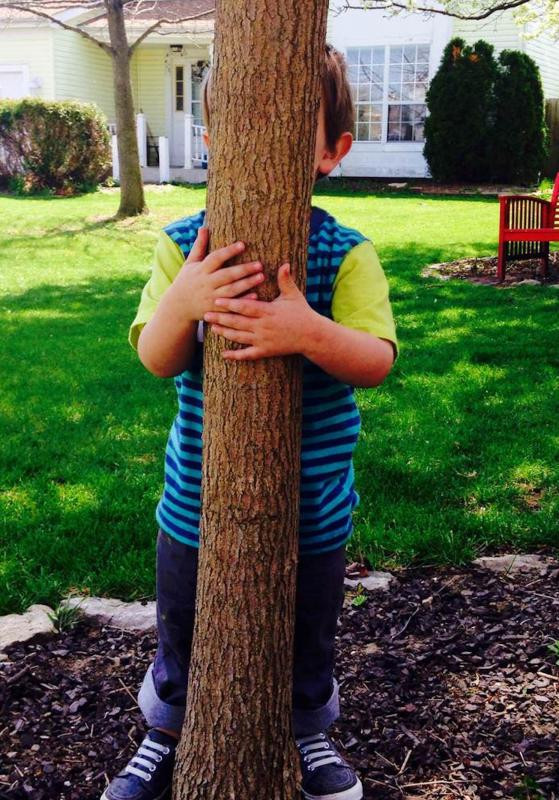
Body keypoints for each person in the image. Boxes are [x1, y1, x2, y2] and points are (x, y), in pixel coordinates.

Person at [101, 44, 399, 800]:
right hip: (195, 501)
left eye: (290, 130)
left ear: (333, 151)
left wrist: (309, 333)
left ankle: (306, 729)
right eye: (232, 128)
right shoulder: (182, 249)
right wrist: (185, 303)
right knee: (182, 628)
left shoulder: (346, 253)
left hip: (312, 510)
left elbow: (375, 358)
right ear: (211, 142)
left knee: (307, 633)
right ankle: (164, 731)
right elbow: (158, 358)